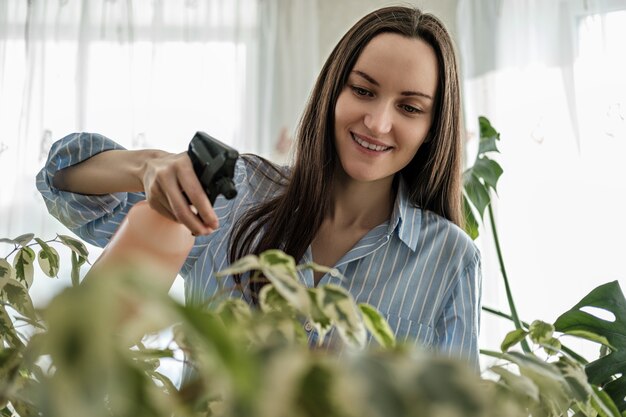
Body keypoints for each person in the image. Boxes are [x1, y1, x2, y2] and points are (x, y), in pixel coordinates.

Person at [37, 6, 482, 367]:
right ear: (333, 92)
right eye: (363, 91)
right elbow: (63, 182)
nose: (378, 122)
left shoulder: (450, 260)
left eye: (409, 107)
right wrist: (149, 165)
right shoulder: (240, 193)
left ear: (432, 128)